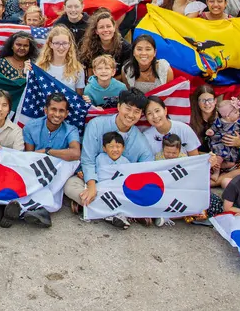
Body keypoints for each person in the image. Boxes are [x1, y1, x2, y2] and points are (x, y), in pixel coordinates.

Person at [68, 88, 153, 216]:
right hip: (94, 180)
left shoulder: (141, 141)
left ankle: (91, 205)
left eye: (136, 112)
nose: (131, 115)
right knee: (70, 185)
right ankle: (116, 211)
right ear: (119, 106)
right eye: (128, 109)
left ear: (141, 114)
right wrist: (91, 186)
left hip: (122, 187)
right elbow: (88, 160)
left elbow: (148, 168)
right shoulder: (96, 125)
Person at [33, 26, 85, 93]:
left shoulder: (77, 68)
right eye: (57, 43)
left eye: (65, 43)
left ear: (69, 44)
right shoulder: (39, 67)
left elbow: (79, 95)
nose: (61, 47)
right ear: (50, 44)